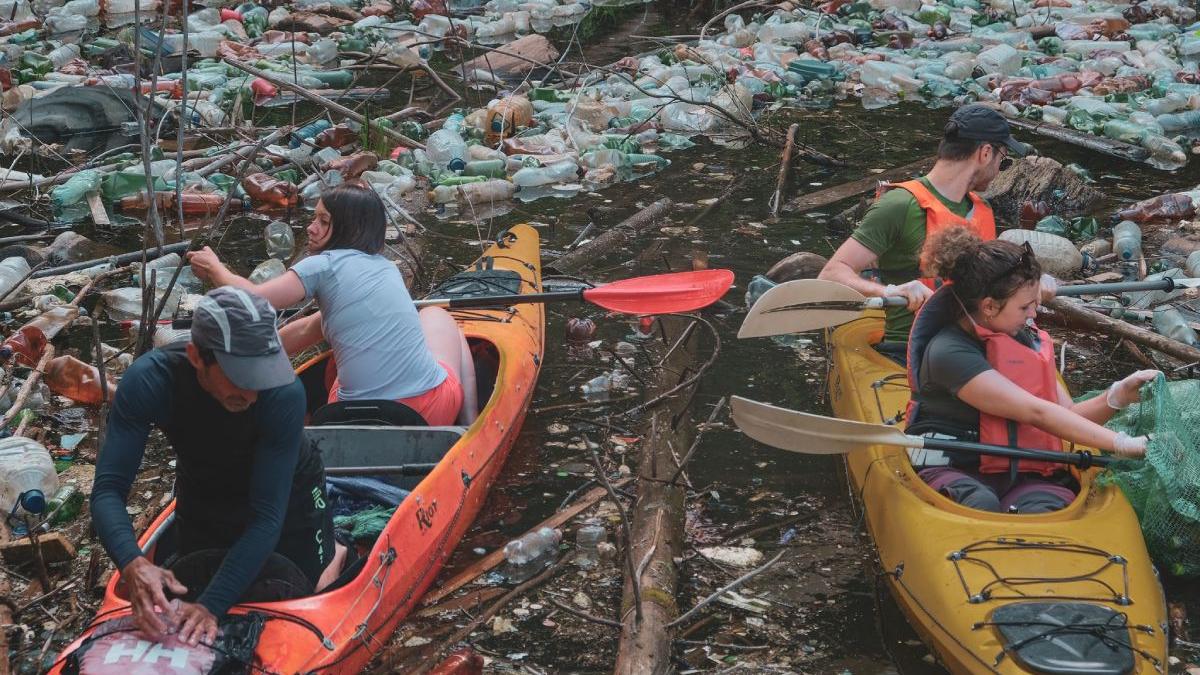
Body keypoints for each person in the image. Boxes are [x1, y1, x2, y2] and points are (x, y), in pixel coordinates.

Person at [91, 287, 343, 646]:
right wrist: (132, 562)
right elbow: (107, 490)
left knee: (304, 586)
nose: (253, 393)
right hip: (204, 485)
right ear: (196, 356)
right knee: (198, 578)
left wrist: (211, 605)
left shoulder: (283, 393)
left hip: (288, 493)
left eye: (262, 376)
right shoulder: (150, 381)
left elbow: (267, 517)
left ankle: (338, 550)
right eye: (241, 376)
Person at [904, 226, 1154, 513]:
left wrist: (1117, 396)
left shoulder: (1023, 338)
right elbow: (1036, 412)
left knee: (1045, 507)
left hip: (1024, 473)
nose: (1033, 315)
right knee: (980, 503)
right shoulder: (948, 352)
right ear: (988, 306)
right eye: (1024, 307)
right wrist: (1122, 443)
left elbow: (1067, 416)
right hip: (956, 468)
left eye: (1034, 303)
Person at [187, 182, 477, 426]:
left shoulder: (322, 265)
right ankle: (469, 421)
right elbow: (309, 329)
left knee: (431, 314)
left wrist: (215, 268)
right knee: (438, 315)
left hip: (347, 419)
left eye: (323, 221)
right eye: (315, 219)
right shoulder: (386, 267)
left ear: (349, 228)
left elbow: (253, 299)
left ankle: (472, 425)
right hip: (428, 413)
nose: (311, 228)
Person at [818, 104, 1031, 365]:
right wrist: (891, 290)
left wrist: (1029, 291)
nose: (1000, 169)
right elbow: (831, 274)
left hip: (968, 347)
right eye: (1004, 160)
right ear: (986, 153)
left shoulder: (982, 210)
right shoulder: (899, 205)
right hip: (907, 351)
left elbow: (989, 291)